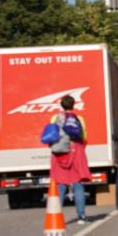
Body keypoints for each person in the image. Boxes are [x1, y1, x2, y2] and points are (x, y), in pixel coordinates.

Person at [49, 94, 90, 224]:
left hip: (60, 153)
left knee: (60, 185)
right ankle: (81, 216)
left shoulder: (55, 118)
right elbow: (84, 137)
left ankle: (57, 217)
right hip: (76, 151)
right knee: (78, 184)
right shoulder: (79, 118)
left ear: (61, 105)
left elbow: (51, 136)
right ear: (73, 104)